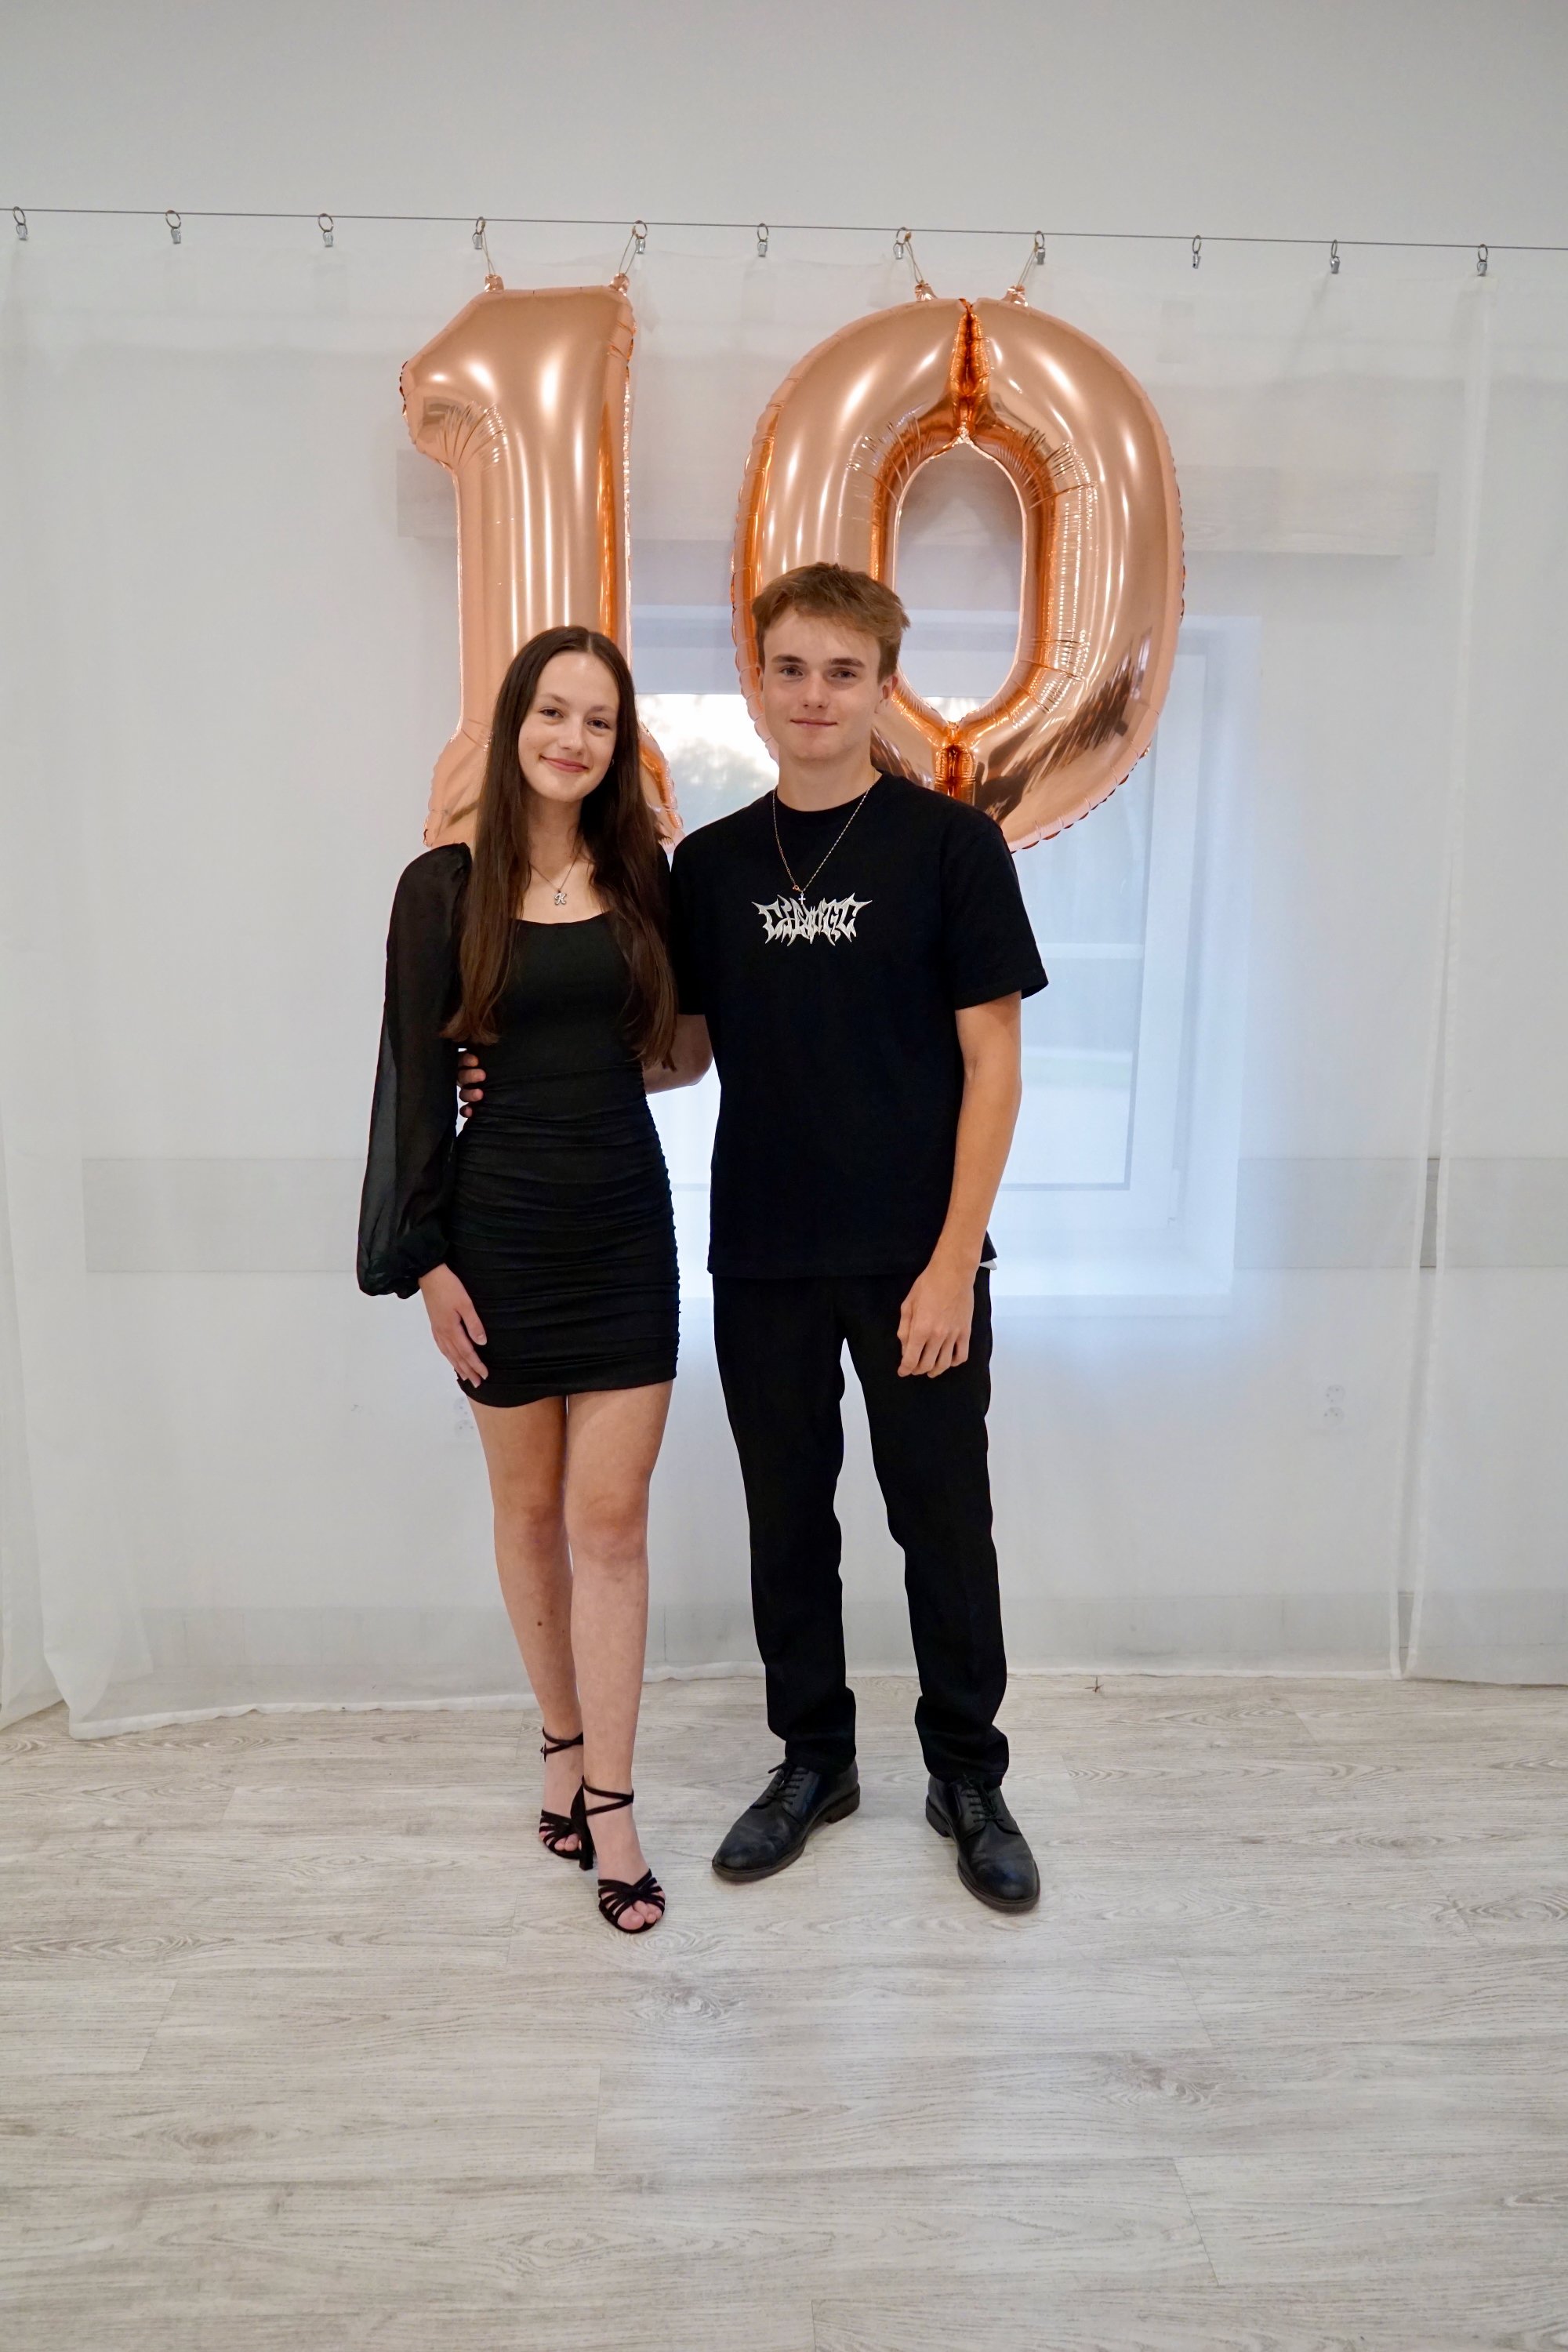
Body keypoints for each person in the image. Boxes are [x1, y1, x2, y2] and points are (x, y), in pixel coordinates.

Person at [463, 567, 1047, 1911]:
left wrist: (953, 1264)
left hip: (917, 1261)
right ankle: (813, 1762)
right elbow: (676, 1052)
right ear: (756, 680)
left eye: (843, 673)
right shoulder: (713, 868)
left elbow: (996, 1065)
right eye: (791, 669)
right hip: (765, 1252)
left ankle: (968, 1776)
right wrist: (525, 1066)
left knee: (942, 1522)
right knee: (787, 1523)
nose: (814, 696)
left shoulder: (951, 849)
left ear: (884, 686)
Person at [358, 624, 710, 1934]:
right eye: (552, 712)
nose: (573, 737)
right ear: (514, 726)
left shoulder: (646, 879)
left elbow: (684, 1056)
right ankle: (560, 1741)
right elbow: (410, 1085)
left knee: (610, 1524)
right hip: (496, 1234)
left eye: (599, 721)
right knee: (528, 1513)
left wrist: (573, 1064)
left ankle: (611, 1801)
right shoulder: (440, 890)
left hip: (622, 1226)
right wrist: (426, 1263)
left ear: (621, 747)